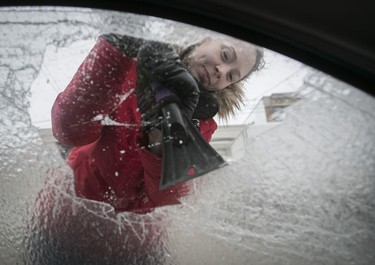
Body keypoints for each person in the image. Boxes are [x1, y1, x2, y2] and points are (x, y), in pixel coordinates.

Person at [51, 33, 265, 214]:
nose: (222, 72)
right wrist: (115, 50)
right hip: (70, 209)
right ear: (203, 39)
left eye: (231, 76)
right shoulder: (130, 63)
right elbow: (69, 130)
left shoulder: (203, 123)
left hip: (134, 243)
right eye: (226, 55)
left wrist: (163, 134)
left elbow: (168, 201)